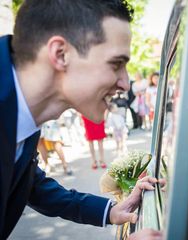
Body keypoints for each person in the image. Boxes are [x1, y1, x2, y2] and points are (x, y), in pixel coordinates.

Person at [0, 0, 162, 239]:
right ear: (61, 54)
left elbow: (31, 185)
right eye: (116, 64)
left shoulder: (22, 108)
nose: (125, 84)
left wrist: (111, 211)